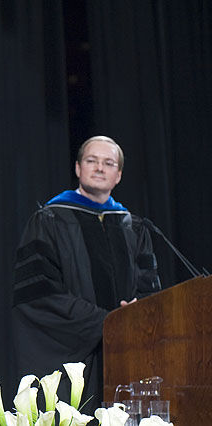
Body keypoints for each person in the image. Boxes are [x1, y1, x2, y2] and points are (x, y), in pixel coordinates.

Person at [9, 136, 160, 414]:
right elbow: (40, 295)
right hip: (74, 357)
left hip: (127, 355)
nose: (100, 168)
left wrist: (138, 314)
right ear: (78, 168)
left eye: (108, 163)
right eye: (92, 161)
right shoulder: (49, 220)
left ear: (118, 175)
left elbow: (148, 291)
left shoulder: (135, 228)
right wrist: (108, 321)